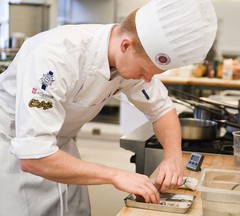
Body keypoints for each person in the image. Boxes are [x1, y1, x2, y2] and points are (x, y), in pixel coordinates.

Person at [0, 0, 217, 215]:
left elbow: (161, 109)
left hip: (62, 152)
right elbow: (33, 156)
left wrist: (173, 156)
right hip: (15, 155)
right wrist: (115, 175)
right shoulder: (55, 57)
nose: (147, 79)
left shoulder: (129, 57)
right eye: (143, 71)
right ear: (125, 45)